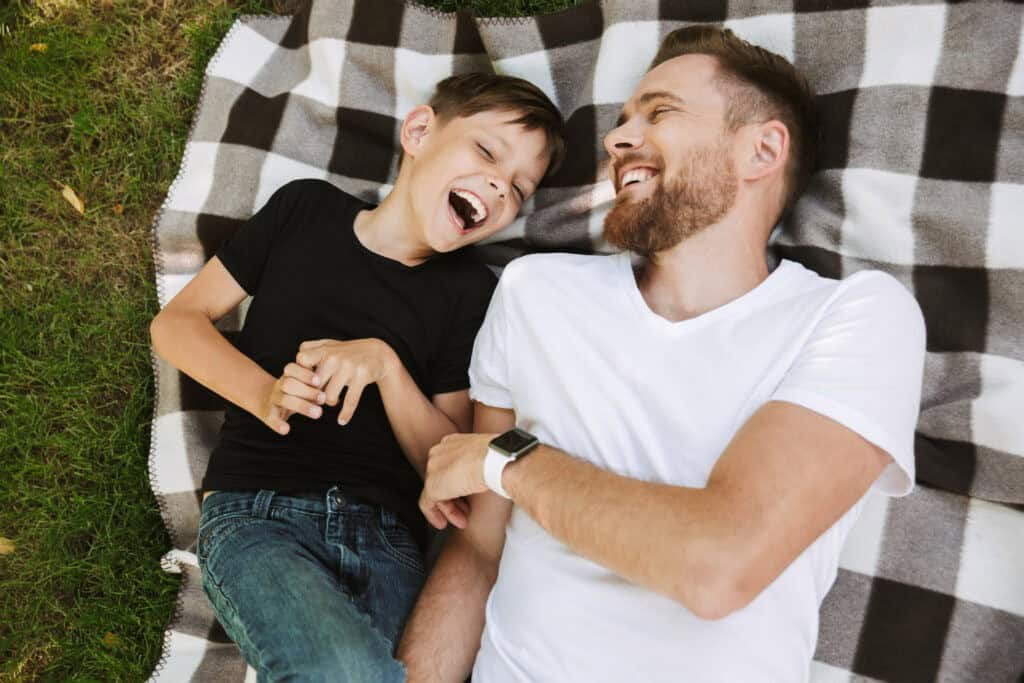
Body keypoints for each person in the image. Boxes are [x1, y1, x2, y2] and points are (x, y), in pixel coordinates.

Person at [400, 26, 926, 683]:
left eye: (661, 112)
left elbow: (717, 566)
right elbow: (477, 552)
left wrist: (506, 460)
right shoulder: (535, 291)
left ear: (761, 148)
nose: (617, 140)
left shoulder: (856, 320)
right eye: (622, 122)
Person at [149, 72, 564, 681]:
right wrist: (265, 394)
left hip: (387, 542)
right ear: (420, 131)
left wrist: (388, 369)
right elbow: (177, 325)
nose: (502, 185)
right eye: (486, 151)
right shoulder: (305, 210)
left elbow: (447, 468)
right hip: (259, 513)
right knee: (344, 671)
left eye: (520, 189)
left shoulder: (471, 293)